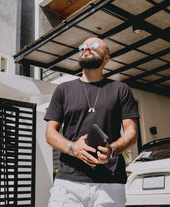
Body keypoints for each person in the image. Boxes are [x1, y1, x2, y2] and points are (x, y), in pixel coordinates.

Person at [44, 37, 139, 207]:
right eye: (83, 47)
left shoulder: (120, 89)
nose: (86, 48)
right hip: (68, 183)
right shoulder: (63, 90)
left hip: (110, 183)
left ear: (106, 59)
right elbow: (50, 133)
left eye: (93, 46)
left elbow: (131, 132)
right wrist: (73, 148)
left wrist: (113, 150)